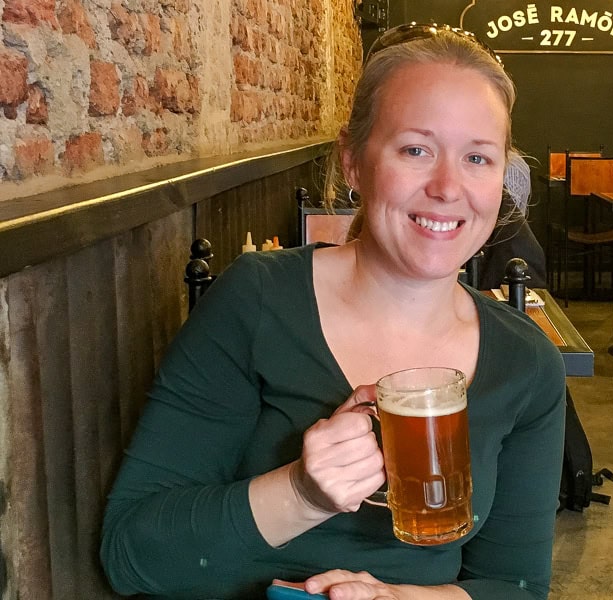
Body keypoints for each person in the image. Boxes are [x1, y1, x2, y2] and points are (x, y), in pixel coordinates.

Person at [100, 23, 566, 600]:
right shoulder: (258, 300)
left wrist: (398, 598)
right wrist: (301, 494)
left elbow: (516, 587)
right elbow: (131, 554)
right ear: (353, 161)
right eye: (416, 150)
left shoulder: (526, 362)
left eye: (478, 157)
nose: (449, 187)